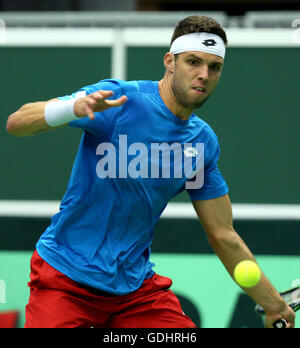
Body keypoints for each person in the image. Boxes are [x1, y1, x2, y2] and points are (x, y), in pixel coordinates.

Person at [6, 15, 295, 329]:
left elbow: (223, 234)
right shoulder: (118, 101)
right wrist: (71, 108)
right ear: (170, 61)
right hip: (66, 278)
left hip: (134, 292)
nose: (203, 75)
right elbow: (17, 123)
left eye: (214, 67)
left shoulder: (201, 144)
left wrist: (274, 305)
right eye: (193, 62)